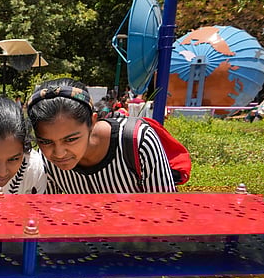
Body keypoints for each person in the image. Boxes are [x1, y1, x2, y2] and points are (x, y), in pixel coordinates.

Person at [26, 78, 176, 193]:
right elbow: (52, 215)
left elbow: (165, 209)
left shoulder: (137, 141)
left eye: (71, 139)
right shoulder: (45, 160)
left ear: (92, 122)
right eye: (46, 142)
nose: (59, 153)